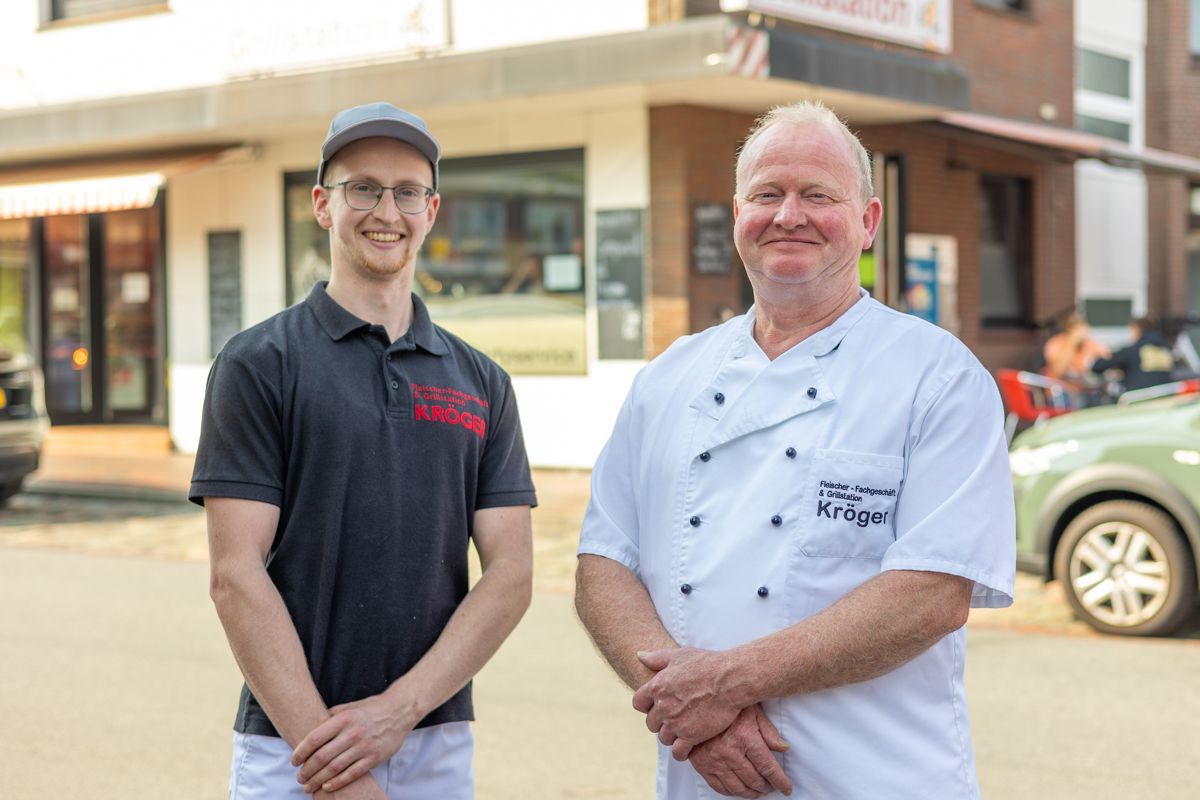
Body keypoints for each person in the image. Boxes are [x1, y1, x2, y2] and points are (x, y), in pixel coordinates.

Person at [575, 101, 1015, 799]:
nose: (789, 215)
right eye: (768, 194)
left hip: (876, 777)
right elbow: (603, 565)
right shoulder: (668, 377)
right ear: (738, 212)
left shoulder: (938, 376)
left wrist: (725, 684)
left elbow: (932, 593)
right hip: (705, 775)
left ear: (868, 222)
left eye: (818, 195)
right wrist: (699, 717)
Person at [191, 101, 536, 800]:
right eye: (363, 188)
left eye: (408, 191)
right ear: (322, 205)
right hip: (294, 746)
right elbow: (236, 575)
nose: (388, 209)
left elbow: (512, 575)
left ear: (431, 210)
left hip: (434, 741)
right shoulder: (258, 364)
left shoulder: (482, 382)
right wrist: (334, 762)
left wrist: (397, 712)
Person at [1091, 315, 1177, 392]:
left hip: (1137, 401)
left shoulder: (1133, 351)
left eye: (1131, 331)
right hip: (1164, 401)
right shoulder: (1167, 351)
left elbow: (1098, 366)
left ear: (1136, 329)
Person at [1042, 311, 1110, 392]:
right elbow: (1057, 370)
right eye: (1079, 330)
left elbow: (1108, 361)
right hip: (1060, 391)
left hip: (1086, 390)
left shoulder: (1088, 344)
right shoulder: (1056, 344)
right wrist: (1071, 344)